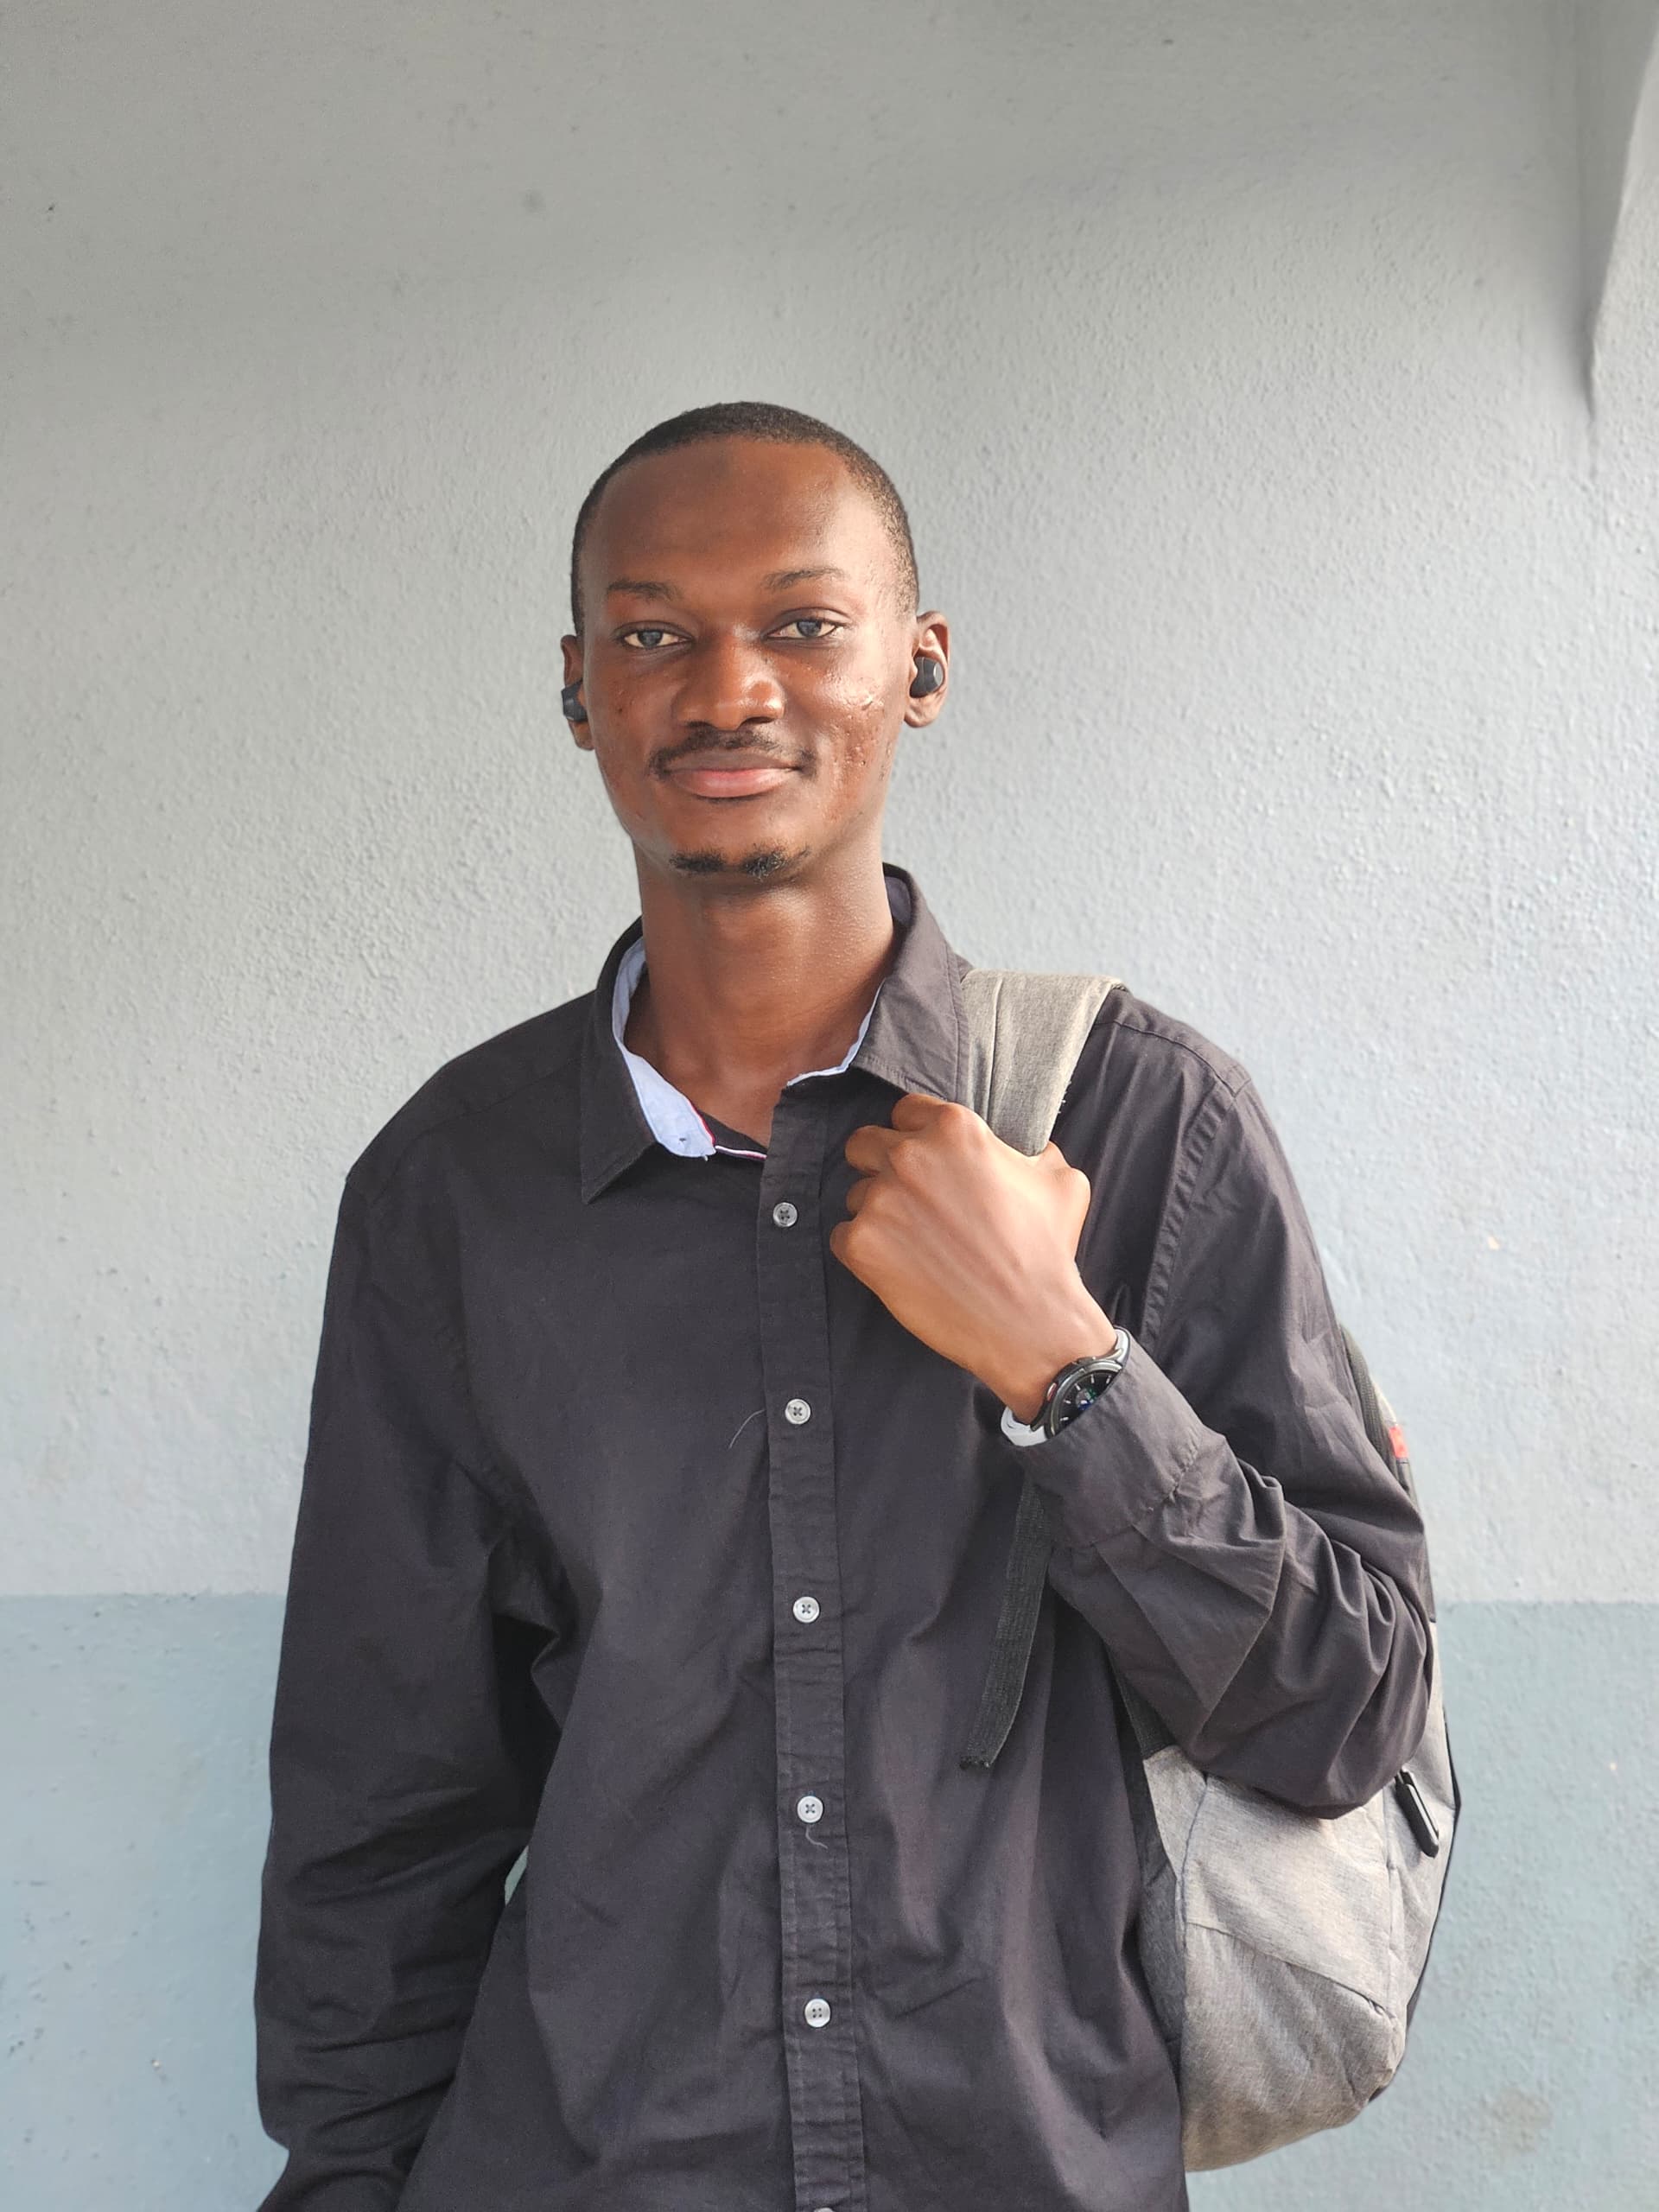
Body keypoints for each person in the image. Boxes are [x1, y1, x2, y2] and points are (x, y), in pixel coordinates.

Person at [253, 401, 1434, 2212]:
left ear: (921, 665)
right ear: (581, 691)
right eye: (655, 633)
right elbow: (381, 1816)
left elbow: (1349, 1712)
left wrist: (1070, 1374)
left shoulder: (1145, 1125)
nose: (731, 688)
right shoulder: (454, 1193)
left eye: (804, 624)